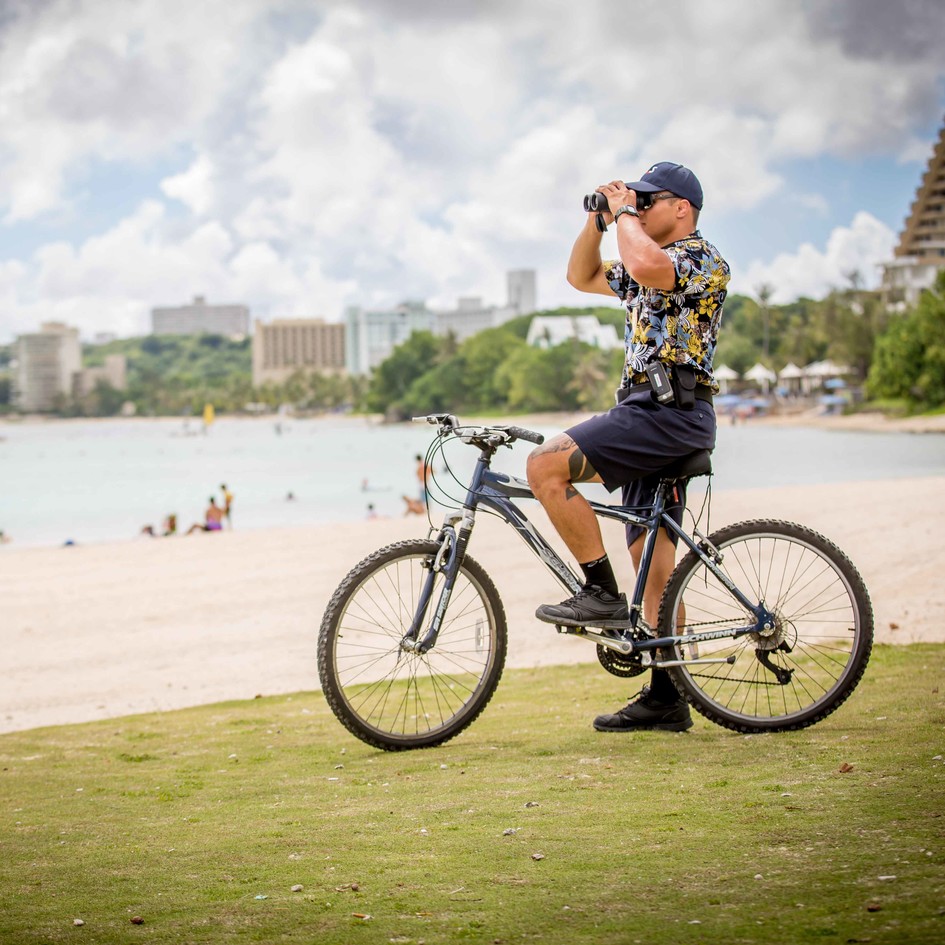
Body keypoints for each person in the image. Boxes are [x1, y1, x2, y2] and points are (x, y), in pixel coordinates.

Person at [525, 161, 730, 734]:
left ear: (681, 208)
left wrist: (621, 215)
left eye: (647, 200)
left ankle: (600, 591)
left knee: (544, 466)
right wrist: (597, 222)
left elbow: (644, 264)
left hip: (667, 414)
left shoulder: (700, 258)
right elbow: (581, 275)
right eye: (633, 201)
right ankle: (668, 696)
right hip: (653, 416)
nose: (637, 208)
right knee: (654, 568)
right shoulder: (642, 259)